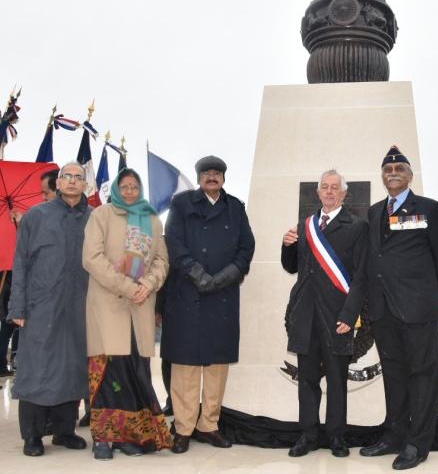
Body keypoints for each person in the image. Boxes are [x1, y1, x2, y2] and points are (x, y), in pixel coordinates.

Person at [360, 146, 438, 470]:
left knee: (423, 375)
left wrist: (427, 296)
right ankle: (394, 435)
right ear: (382, 176)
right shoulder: (373, 212)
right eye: (388, 169)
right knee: (395, 376)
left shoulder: (428, 208)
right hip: (383, 311)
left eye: (400, 168)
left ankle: (418, 442)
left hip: (416, 309)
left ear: (410, 176)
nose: (394, 172)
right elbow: (374, 258)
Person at [161, 155, 255, 454]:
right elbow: (173, 242)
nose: (212, 177)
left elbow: (246, 246)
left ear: (224, 178)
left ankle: (209, 425)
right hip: (187, 293)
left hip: (222, 295)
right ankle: (184, 428)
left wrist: (227, 275)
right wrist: (197, 274)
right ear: (199, 177)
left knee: (216, 365)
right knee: (186, 366)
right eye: (206, 173)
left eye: (217, 173)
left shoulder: (235, 207)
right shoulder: (182, 203)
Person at [82, 169, 172, 460]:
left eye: (135, 186)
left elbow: (161, 260)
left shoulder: (152, 220)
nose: (131, 191)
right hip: (108, 304)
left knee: (135, 371)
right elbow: (91, 258)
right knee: (109, 372)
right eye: (125, 186)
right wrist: (126, 285)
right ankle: (103, 438)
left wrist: (146, 284)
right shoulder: (102, 216)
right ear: (117, 189)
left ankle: (130, 435)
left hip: (140, 304)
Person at [281, 170, 367, 458]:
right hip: (306, 316)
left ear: (344, 194)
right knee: (306, 380)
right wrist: (287, 246)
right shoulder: (304, 226)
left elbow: (361, 277)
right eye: (325, 188)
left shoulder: (356, 226)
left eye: (335, 188)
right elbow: (292, 267)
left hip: (337, 317)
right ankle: (308, 434)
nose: (330, 192)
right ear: (317, 193)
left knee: (337, 380)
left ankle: (337, 436)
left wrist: (349, 315)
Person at [7, 162, 90, 457]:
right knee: (37, 369)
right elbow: (21, 263)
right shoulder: (36, 217)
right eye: (66, 176)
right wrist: (17, 305)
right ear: (58, 183)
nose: (71, 181)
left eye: (78, 177)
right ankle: (32, 435)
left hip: (80, 305)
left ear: (85, 185)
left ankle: (64, 431)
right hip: (41, 304)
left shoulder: (94, 219)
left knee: (72, 367)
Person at [0, 169, 59, 378]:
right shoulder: (39, 217)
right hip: (36, 297)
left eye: (46, 193)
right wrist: (22, 221)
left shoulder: (78, 218)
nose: (43, 197)